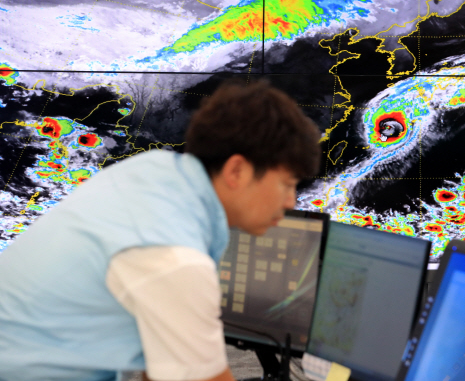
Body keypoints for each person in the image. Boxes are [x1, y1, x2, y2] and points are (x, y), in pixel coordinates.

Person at [0, 80, 321, 381]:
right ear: (237, 170)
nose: (291, 202)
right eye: (286, 184)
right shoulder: (173, 254)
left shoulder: (154, 170)